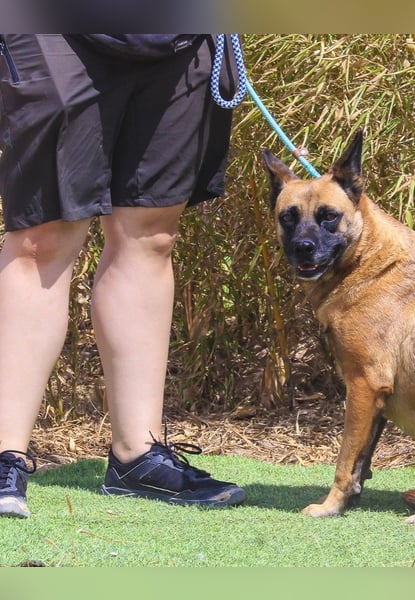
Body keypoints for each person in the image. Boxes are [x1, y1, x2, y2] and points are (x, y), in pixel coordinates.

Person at [0, 34, 245, 518]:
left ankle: (137, 456)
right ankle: (4, 453)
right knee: (41, 238)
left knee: (151, 234)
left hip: (178, 36)